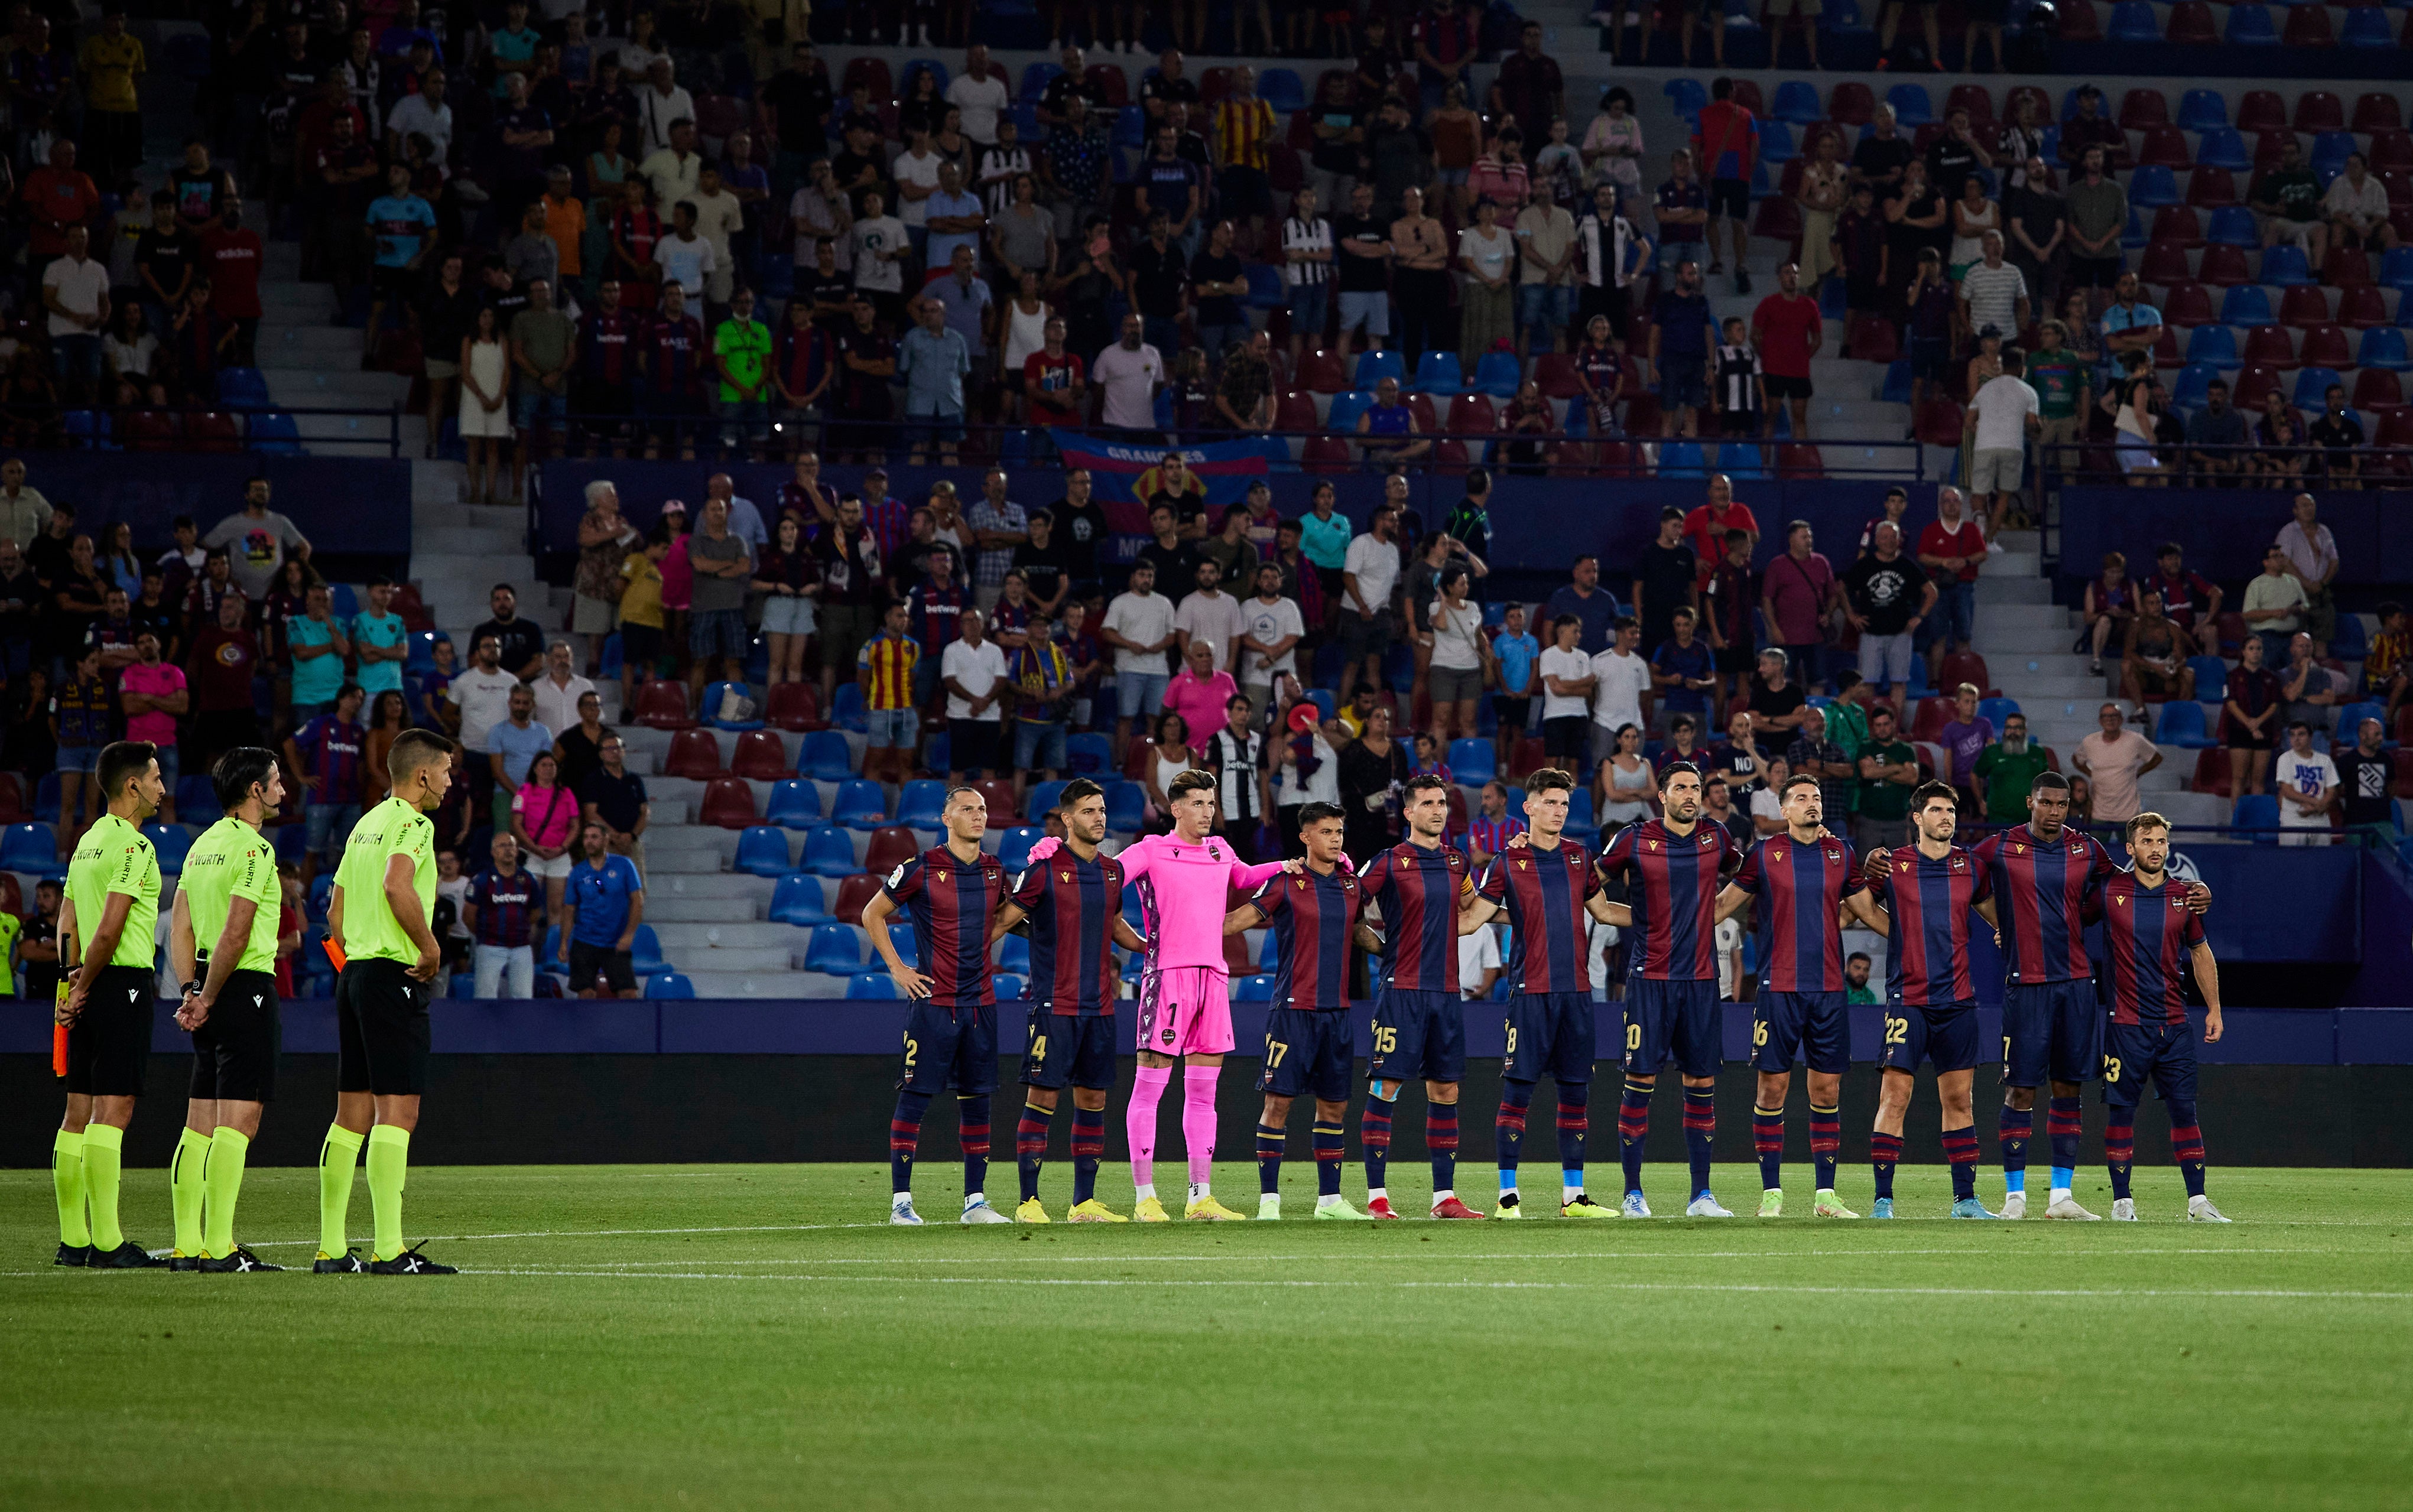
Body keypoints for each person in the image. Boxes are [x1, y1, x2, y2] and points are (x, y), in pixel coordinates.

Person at [1025, 771, 1294, 1221]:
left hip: (1213, 977)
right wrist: (1051, 852)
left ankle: (1199, 1197)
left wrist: (1287, 865)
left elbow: (1246, 878)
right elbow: (1103, 875)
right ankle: (1145, 1196)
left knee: (1204, 1093)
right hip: (1167, 976)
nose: (1207, 811)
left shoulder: (1219, 849)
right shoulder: (1151, 849)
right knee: (1150, 1088)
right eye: (1198, 803)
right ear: (1176, 808)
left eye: (1211, 802)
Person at [1459, 768, 1631, 1217]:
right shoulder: (1506, 861)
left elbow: (1606, 911)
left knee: (1576, 1093)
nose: (1558, 811)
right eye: (1550, 802)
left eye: (1564, 804)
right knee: (1517, 1092)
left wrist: (1669, 920)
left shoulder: (1579, 857)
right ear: (1528, 807)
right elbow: (1473, 919)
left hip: (1576, 993)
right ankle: (1507, 1196)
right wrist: (1415, 926)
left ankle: (1573, 1197)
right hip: (1529, 991)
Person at [1717, 772, 1889, 1217]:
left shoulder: (1840, 853)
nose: (1812, 803)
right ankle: (1771, 1192)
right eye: (1801, 798)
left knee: (1826, 1090)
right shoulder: (1764, 853)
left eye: (1816, 797)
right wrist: (1672, 919)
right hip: (1778, 988)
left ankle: (1825, 1196)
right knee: (1772, 1088)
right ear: (1784, 810)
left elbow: (1867, 911)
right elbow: (1721, 905)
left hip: (1830, 990)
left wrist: (1918, 936)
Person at [321, 727, 460, 1274]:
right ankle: (389, 1248)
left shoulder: (365, 824)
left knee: (350, 1114)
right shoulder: (412, 822)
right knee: (397, 1111)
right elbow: (397, 886)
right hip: (392, 975)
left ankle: (332, 1248)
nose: (449, 781)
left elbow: (334, 911)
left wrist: (360, 956)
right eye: (446, 771)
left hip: (355, 974)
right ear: (422, 774)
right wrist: (428, 948)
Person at [1972, 770, 2122, 1220]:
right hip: (2027, 984)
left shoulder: (2086, 848)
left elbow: (2121, 888)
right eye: (2046, 803)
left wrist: (2191, 893)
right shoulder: (1999, 845)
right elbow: (1959, 874)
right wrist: (2001, 923)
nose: (2055, 811)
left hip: (2077, 984)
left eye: (2062, 804)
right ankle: (2014, 1196)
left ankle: (2060, 1196)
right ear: (2029, 802)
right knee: (2020, 1090)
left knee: (2067, 1089)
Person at [160, 747, 286, 1270]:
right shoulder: (254, 851)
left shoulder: (200, 846)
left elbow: (181, 927)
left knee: (199, 1125)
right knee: (238, 1122)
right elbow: (238, 929)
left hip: (206, 988)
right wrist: (210, 994)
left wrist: (191, 989)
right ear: (254, 790)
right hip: (243, 986)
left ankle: (188, 1245)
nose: (282, 790)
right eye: (275, 782)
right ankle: (220, 1246)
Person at [997, 779, 1145, 1222]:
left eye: (1101, 810)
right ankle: (1029, 1202)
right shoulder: (1042, 869)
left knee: (1093, 1101)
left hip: (1100, 1006)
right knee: (1042, 1098)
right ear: (1066, 819)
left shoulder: (1112, 871)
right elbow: (1001, 921)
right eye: (1087, 811)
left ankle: (1083, 1202)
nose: (1098, 817)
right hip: (1054, 1005)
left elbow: (1115, 924)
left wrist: (1152, 946)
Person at [1224, 802, 1373, 1221]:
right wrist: (1188, 930)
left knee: (1334, 1107)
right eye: (1326, 831)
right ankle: (1268, 1200)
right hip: (1292, 1010)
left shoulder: (1350, 885)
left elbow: (1359, 930)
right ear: (1305, 837)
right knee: (1278, 1104)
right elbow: (1239, 920)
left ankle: (1329, 1200)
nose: (1335, 838)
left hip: (1338, 1012)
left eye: (1339, 831)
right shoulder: (1285, 882)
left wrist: (1394, 950)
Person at [52, 742, 170, 1269]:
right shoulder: (133, 847)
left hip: (83, 979)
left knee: (77, 1111)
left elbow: (68, 924)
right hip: (118, 980)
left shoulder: (85, 843)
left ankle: (73, 1241)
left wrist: (68, 983)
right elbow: (111, 925)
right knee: (113, 1110)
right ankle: (108, 1241)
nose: (162, 788)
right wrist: (86, 984)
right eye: (156, 778)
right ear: (132, 786)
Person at [1349, 775, 1488, 1220]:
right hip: (1401, 991)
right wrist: (1379, 946)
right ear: (1407, 812)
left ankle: (1443, 1197)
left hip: (1446, 993)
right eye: (1427, 803)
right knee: (1385, 1086)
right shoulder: (1389, 861)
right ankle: (1376, 1196)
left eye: (1442, 802)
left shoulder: (1456, 861)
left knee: (1445, 1089)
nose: (1437, 810)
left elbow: (1468, 913)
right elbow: (1347, 906)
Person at [1860, 781, 2000, 1220]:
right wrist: (1899, 933)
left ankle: (1965, 1200)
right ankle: (1883, 1200)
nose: (1946, 817)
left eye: (1950, 810)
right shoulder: (1893, 866)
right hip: (1908, 1000)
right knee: (1895, 1097)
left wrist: (2007, 932)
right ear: (1917, 818)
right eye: (1937, 810)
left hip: (1958, 1001)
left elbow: (1997, 916)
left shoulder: (1971, 866)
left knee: (1960, 1100)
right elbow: (1859, 907)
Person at [2100, 813, 2229, 1222]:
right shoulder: (2109, 890)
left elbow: (2200, 952)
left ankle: (2197, 1202)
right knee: (2121, 1111)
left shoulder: (2183, 897)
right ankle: (2122, 1202)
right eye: (2147, 841)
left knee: (2184, 1110)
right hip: (2125, 1025)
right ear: (2130, 848)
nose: (2155, 848)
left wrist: (2213, 1008)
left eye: (2160, 841)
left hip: (2173, 1024)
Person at [1840, 523, 1934, 712]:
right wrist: (1851, 615)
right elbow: (1841, 587)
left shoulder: (1907, 565)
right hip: (1871, 633)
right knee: (1867, 684)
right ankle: (1868, 726)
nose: (1889, 542)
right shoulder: (1865, 565)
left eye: (1893, 538)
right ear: (1876, 541)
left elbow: (1932, 592)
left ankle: (1895, 726)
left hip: (1901, 633)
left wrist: (1920, 617)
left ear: (1899, 541)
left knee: (1899, 682)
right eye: (1884, 537)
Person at [285, 683, 367, 886]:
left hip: (350, 800)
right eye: (353, 697)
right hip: (322, 797)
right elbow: (290, 744)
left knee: (346, 854)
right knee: (312, 851)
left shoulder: (359, 731)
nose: (357, 702)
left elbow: (361, 765)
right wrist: (301, 777)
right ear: (341, 699)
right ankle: (303, 897)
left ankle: (342, 899)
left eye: (360, 699)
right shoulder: (321, 724)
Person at [562, 819, 645, 995]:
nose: (589, 842)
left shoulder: (624, 865)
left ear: (606, 840)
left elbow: (637, 901)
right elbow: (569, 909)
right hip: (585, 941)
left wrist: (629, 934)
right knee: (586, 994)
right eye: (586, 838)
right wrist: (564, 942)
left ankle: (629, 1024)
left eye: (594, 837)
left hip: (615, 941)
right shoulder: (577, 872)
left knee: (629, 993)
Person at [465, 833, 542, 997]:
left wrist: (518, 928)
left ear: (517, 850)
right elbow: (469, 916)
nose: (508, 850)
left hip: (522, 947)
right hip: (490, 946)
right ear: (493, 852)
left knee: (523, 998)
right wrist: (485, 934)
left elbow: (536, 912)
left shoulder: (528, 879)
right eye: (502, 846)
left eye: (511, 845)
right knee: (485, 998)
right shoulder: (481, 880)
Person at [2072, 703, 2162, 827]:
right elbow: (2076, 760)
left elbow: (2157, 758)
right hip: (2099, 811)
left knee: (2130, 846)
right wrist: (2091, 773)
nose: (2110, 719)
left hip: (2128, 811)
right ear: (2100, 720)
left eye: (2114, 716)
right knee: (2097, 846)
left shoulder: (2135, 740)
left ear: (2121, 720)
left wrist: (2139, 772)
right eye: (2106, 716)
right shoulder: (2090, 742)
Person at [2221, 633, 2285, 799]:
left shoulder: (2271, 678)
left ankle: (2257, 819)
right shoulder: (2233, 676)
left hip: (2264, 731)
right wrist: (2250, 724)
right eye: (2251, 649)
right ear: (2243, 652)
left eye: (2259, 649)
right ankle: (2237, 820)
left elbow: (2274, 704)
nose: (2255, 652)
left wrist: (2258, 723)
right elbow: (2231, 703)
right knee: (2239, 778)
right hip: (2239, 731)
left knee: (2258, 780)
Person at [2277, 492, 2340, 655]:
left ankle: (2319, 676)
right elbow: (2284, 562)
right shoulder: (2288, 532)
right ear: (2295, 511)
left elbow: (2334, 561)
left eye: (2311, 505)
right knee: (2299, 642)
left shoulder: (2324, 532)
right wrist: (2306, 583)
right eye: (2304, 506)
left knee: (2322, 640)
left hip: (2322, 595)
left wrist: (2322, 583)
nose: (2309, 509)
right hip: (2298, 595)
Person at [1853, 705, 1918, 854]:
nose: (1882, 729)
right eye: (1878, 725)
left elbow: (1912, 778)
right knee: (1866, 866)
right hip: (1870, 819)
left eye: (1886, 724)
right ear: (1873, 727)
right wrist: (1897, 768)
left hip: (1898, 820)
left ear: (1894, 723)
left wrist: (1879, 770)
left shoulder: (1906, 750)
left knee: (1901, 867)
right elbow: (1867, 773)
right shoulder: (1866, 748)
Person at [2242, 542, 2311, 671]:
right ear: (2266, 562)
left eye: (2282, 556)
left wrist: (2294, 609)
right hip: (2267, 637)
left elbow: (2305, 605)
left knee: (2293, 673)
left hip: (2291, 637)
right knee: (2268, 673)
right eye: (2275, 556)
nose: (2280, 560)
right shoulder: (2257, 584)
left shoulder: (2293, 581)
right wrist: (2274, 613)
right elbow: (2248, 614)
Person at [1970, 712, 2049, 825]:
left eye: (2017, 728)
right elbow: (1975, 775)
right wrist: (1980, 802)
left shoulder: (2038, 753)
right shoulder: (1992, 752)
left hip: (2031, 819)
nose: (2012, 732)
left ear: (2025, 730)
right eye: (2009, 728)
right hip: (1998, 819)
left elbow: (2046, 782)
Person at [2273, 721, 2339, 847]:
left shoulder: (2325, 760)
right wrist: (2317, 803)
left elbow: (2332, 790)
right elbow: (2287, 791)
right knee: (2293, 864)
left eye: (2301, 735)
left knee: (2321, 864)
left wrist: (2318, 807)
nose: (2296, 739)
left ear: (2311, 736)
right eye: (2292, 735)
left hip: (2321, 821)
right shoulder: (2285, 759)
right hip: (2294, 822)